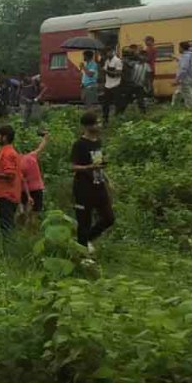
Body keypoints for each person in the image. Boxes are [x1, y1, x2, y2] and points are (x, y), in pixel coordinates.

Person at [71, 111, 115, 254]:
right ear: (88, 126)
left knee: (109, 218)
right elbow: (73, 166)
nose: (99, 125)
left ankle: (85, 240)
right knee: (84, 221)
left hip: (99, 184)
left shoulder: (98, 142)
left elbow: (99, 164)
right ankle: (83, 253)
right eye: (97, 123)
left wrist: (108, 180)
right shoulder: (79, 144)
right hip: (83, 187)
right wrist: (89, 167)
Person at [0, 125, 21, 249]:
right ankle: (9, 249)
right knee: (7, 223)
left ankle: (9, 251)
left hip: (7, 194)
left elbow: (10, 174)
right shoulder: (8, 151)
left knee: (6, 225)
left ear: (4, 137)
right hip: (9, 193)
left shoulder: (7, 153)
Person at [20, 130, 50, 228]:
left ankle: (23, 231)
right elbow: (41, 147)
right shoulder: (32, 156)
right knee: (34, 214)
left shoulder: (19, 163)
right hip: (37, 188)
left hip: (25, 190)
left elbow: (23, 180)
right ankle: (32, 233)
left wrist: (28, 196)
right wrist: (45, 137)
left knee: (25, 212)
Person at [172, 41, 192, 108]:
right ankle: (174, 106)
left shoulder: (185, 56)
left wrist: (177, 80)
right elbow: (186, 64)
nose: (179, 49)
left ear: (182, 48)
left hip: (185, 79)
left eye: (179, 47)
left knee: (189, 97)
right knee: (178, 93)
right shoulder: (191, 55)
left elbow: (183, 69)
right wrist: (177, 58)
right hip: (190, 78)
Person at [102, 47, 123, 125]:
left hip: (116, 85)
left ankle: (118, 119)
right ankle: (105, 119)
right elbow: (104, 72)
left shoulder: (117, 61)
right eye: (106, 52)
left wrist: (106, 71)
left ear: (112, 52)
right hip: (107, 85)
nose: (107, 54)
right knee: (105, 104)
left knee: (117, 103)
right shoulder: (107, 61)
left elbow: (118, 73)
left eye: (109, 52)